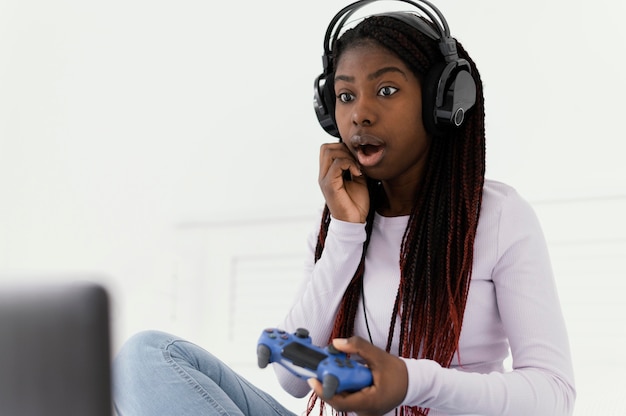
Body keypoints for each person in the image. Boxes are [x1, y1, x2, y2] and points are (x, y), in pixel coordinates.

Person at [112, 1, 576, 415]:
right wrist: (344, 234)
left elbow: (554, 393)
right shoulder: (340, 222)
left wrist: (412, 381)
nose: (359, 114)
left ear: (443, 101)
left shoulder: (498, 216)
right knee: (146, 357)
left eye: (386, 91)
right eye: (346, 95)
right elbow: (293, 381)